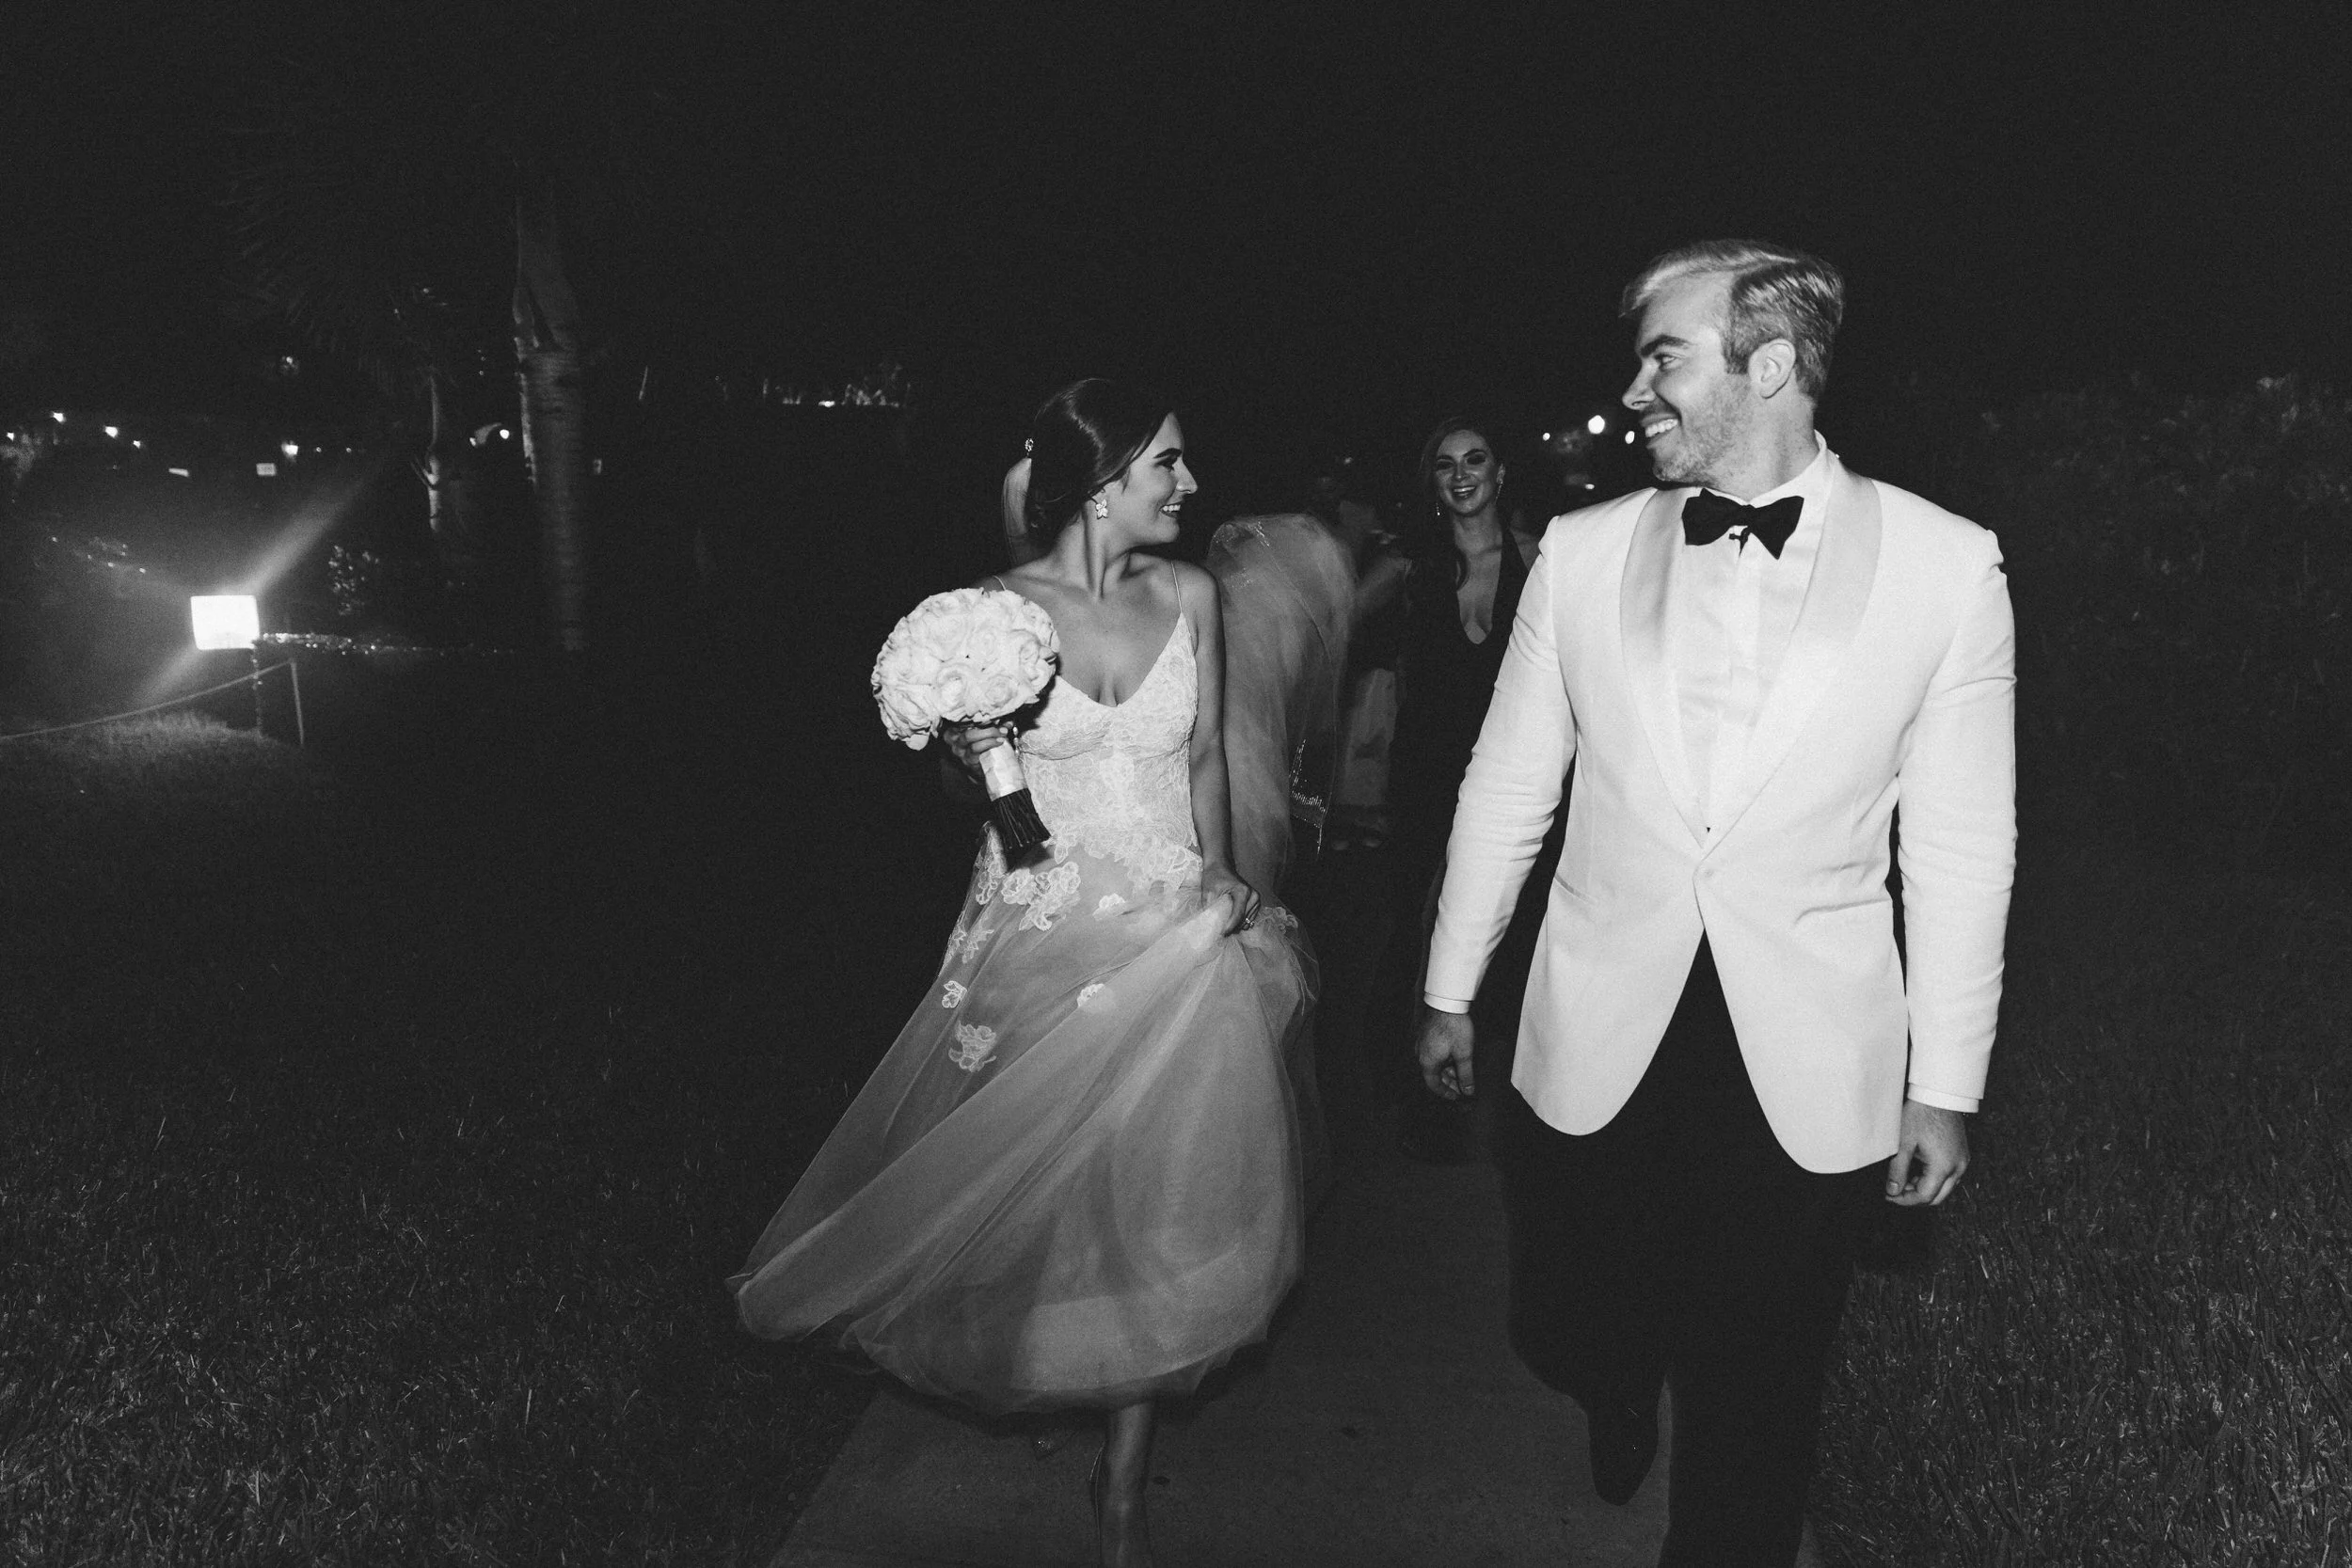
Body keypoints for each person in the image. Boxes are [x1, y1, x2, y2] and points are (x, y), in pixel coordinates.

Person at [1415, 241, 2016, 1562]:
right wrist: (1451, 983)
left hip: (1803, 1034)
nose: (1634, 391)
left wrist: (1944, 1080)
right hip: (1601, 1012)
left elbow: (1962, 844)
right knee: (1576, 1308)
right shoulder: (1579, 554)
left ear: (1771, 365)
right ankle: (1615, 1374)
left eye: (1662, 358)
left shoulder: (1947, 565)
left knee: (1762, 1376)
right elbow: (1508, 781)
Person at [734, 379, 1317, 1568]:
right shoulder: (992, 617)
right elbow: (972, 796)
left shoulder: (1191, 595)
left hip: (1173, 934)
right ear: (1102, 484)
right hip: (1036, 929)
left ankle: (1123, 1477)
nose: (1191, 484)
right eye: (1168, 464)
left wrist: (1226, 884)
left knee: (1159, 1197)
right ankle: (1061, 1366)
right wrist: (965, 748)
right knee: (1053, 1192)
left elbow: (1205, 755)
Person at [1379, 417, 1547, 1162]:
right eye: (1446, 464)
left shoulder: (1540, 558)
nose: (1462, 473)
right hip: (1425, 773)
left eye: (1476, 459)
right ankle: (1419, 1083)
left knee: (1517, 924)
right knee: (1418, 920)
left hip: (1513, 774)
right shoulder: (1407, 567)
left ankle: (1514, 1084)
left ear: (1500, 473)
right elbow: (1323, 628)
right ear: (1434, 482)